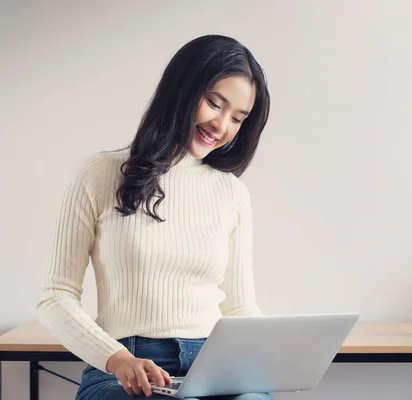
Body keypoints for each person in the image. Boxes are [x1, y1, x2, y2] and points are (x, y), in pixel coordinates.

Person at [37, 34, 272, 400]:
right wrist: (116, 358)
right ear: (182, 90)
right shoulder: (98, 174)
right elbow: (56, 296)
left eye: (238, 118)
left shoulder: (232, 193)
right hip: (124, 366)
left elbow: (239, 307)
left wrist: (270, 359)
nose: (221, 126)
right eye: (214, 103)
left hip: (214, 366)